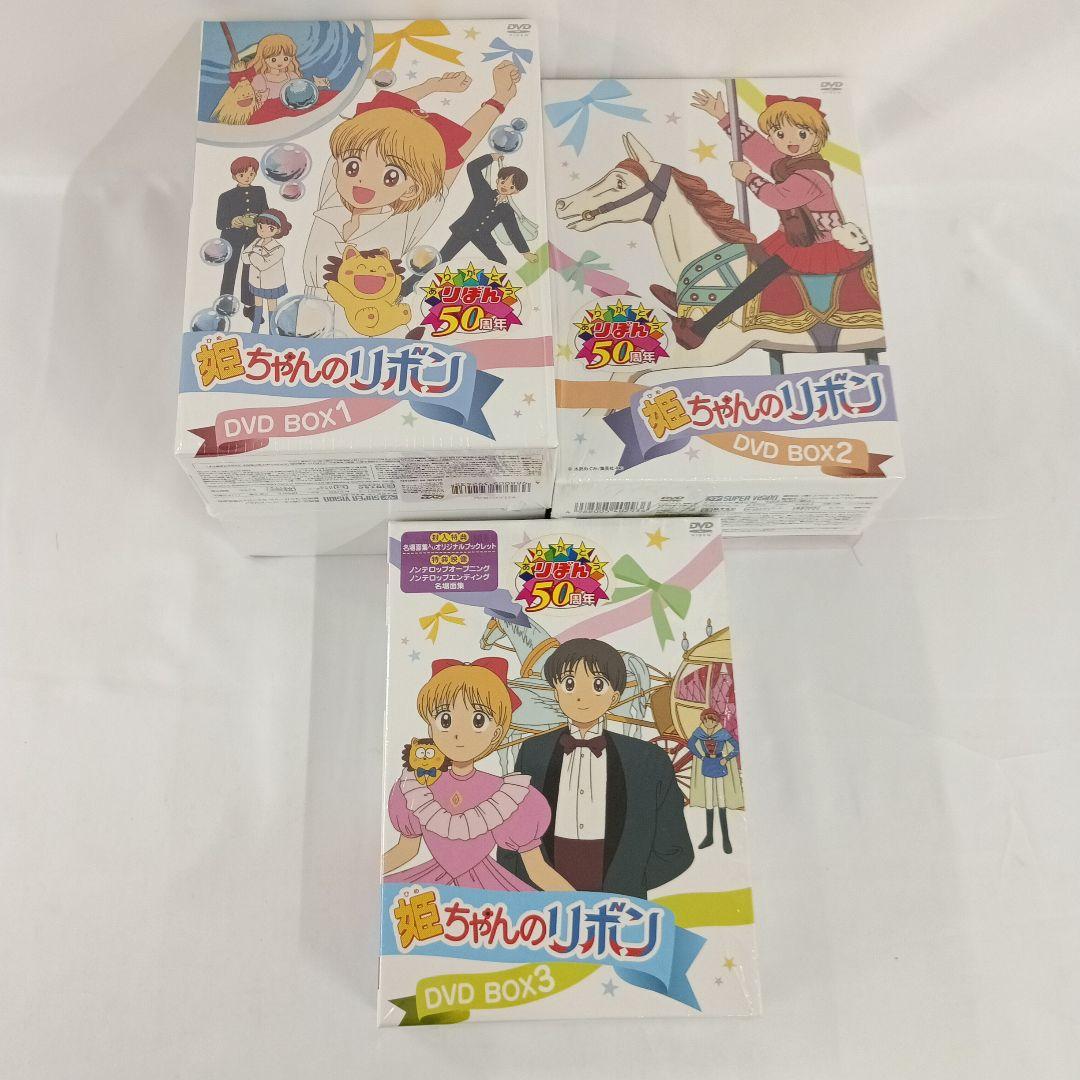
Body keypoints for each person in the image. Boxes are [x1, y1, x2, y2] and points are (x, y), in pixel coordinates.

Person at [302, 60, 522, 333]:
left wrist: (499, 99)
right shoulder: (333, 194)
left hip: (373, 325)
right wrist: (430, 86)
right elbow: (376, 117)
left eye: (390, 176)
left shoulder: (408, 216)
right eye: (353, 167)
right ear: (337, 168)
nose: (363, 180)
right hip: (309, 317)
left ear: (411, 188)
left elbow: (457, 153)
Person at [656, 88, 877, 350]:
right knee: (744, 256)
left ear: (817, 137)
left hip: (817, 245)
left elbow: (780, 197)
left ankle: (701, 328)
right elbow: (757, 148)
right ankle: (697, 297)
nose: (791, 141)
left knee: (760, 277)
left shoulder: (812, 174)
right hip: (794, 237)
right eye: (780, 135)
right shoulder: (788, 164)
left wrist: (749, 177)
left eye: (802, 134)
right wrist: (724, 117)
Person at [499, 639, 693, 899]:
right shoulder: (533, 751)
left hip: (618, 898)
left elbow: (676, 849)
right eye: (569, 684)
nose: (581, 696)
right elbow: (512, 833)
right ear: (556, 692)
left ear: (615, 696)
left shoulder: (648, 759)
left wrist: (629, 881)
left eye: (597, 685)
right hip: (541, 893)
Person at [382, 658, 572, 892]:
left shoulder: (507, 796)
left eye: (478, 720)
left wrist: (579, 903)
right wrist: (364, 873)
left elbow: (537, 869)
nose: (458, 733)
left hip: (488, 891)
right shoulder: (416, 788)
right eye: (445, 720)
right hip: (431, 888)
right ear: (430, 727)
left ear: (497, 733)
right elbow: (405, 850)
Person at [400, 153, 538, 296]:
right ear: (498, 180)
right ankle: (403, 291)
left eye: (511, 186)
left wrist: (525, 252)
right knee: (441, 260)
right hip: (464, 230)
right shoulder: (483, 191)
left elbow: (513, 231)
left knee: (500, 261)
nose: (505, 186)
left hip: (482, 236)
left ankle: (477, 289)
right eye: (503, 182)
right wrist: (491, 157)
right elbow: (472, 167)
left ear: (516, 191)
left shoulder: (507, 210)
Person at [687, 707, 743, 852]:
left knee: (721, 799)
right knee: (709, 800)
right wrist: (701, 756)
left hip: (719, 764)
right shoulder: (700, 732)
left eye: (711, 720)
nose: (708, 723)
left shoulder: (722, 733)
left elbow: (736, 747)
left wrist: (727, 758)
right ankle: (709, 836)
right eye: (706, 720)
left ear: (716, 721)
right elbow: (690, 744)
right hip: (707, 765)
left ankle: (726, 839)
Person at [215, 157, 267, 310]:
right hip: (232, 238)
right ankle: (225, 305)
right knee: (230, 271)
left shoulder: (260, 191)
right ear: (234, 176)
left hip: (253, 238)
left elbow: (266, 213)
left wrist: (258, 220)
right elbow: (220, 222)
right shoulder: (226, 196)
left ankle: (249, 306)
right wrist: (232, 221)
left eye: (251, 174)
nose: (247, 178)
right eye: (242, 175)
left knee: (250, 271)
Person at [240, 209, 291, 333]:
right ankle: (255, 329)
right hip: (255, 281)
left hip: (271, 284)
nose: (263, 230)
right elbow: (244, 257)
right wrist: (253, 256)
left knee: (272, 307)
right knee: (258, 305)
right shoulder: (256, 241)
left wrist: (252, 255)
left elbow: (263, 264)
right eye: (260, 226)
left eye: (270, 228)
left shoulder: (278, 248)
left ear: (278, 230)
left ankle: (272, 331)